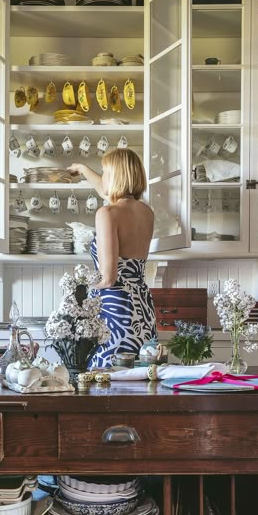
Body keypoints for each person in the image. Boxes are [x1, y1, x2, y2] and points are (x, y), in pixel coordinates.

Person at [68, 148, 157, 368]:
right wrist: (82, 169)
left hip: (114, 309)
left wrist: (79, 293)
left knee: (107, 378)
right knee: (140, 374)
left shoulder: (106, 214)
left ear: (116, 176)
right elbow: (106, 190)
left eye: (105, 172)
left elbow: (108, 278)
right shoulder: (146, 212)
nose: (103, 177)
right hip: (142, 304)